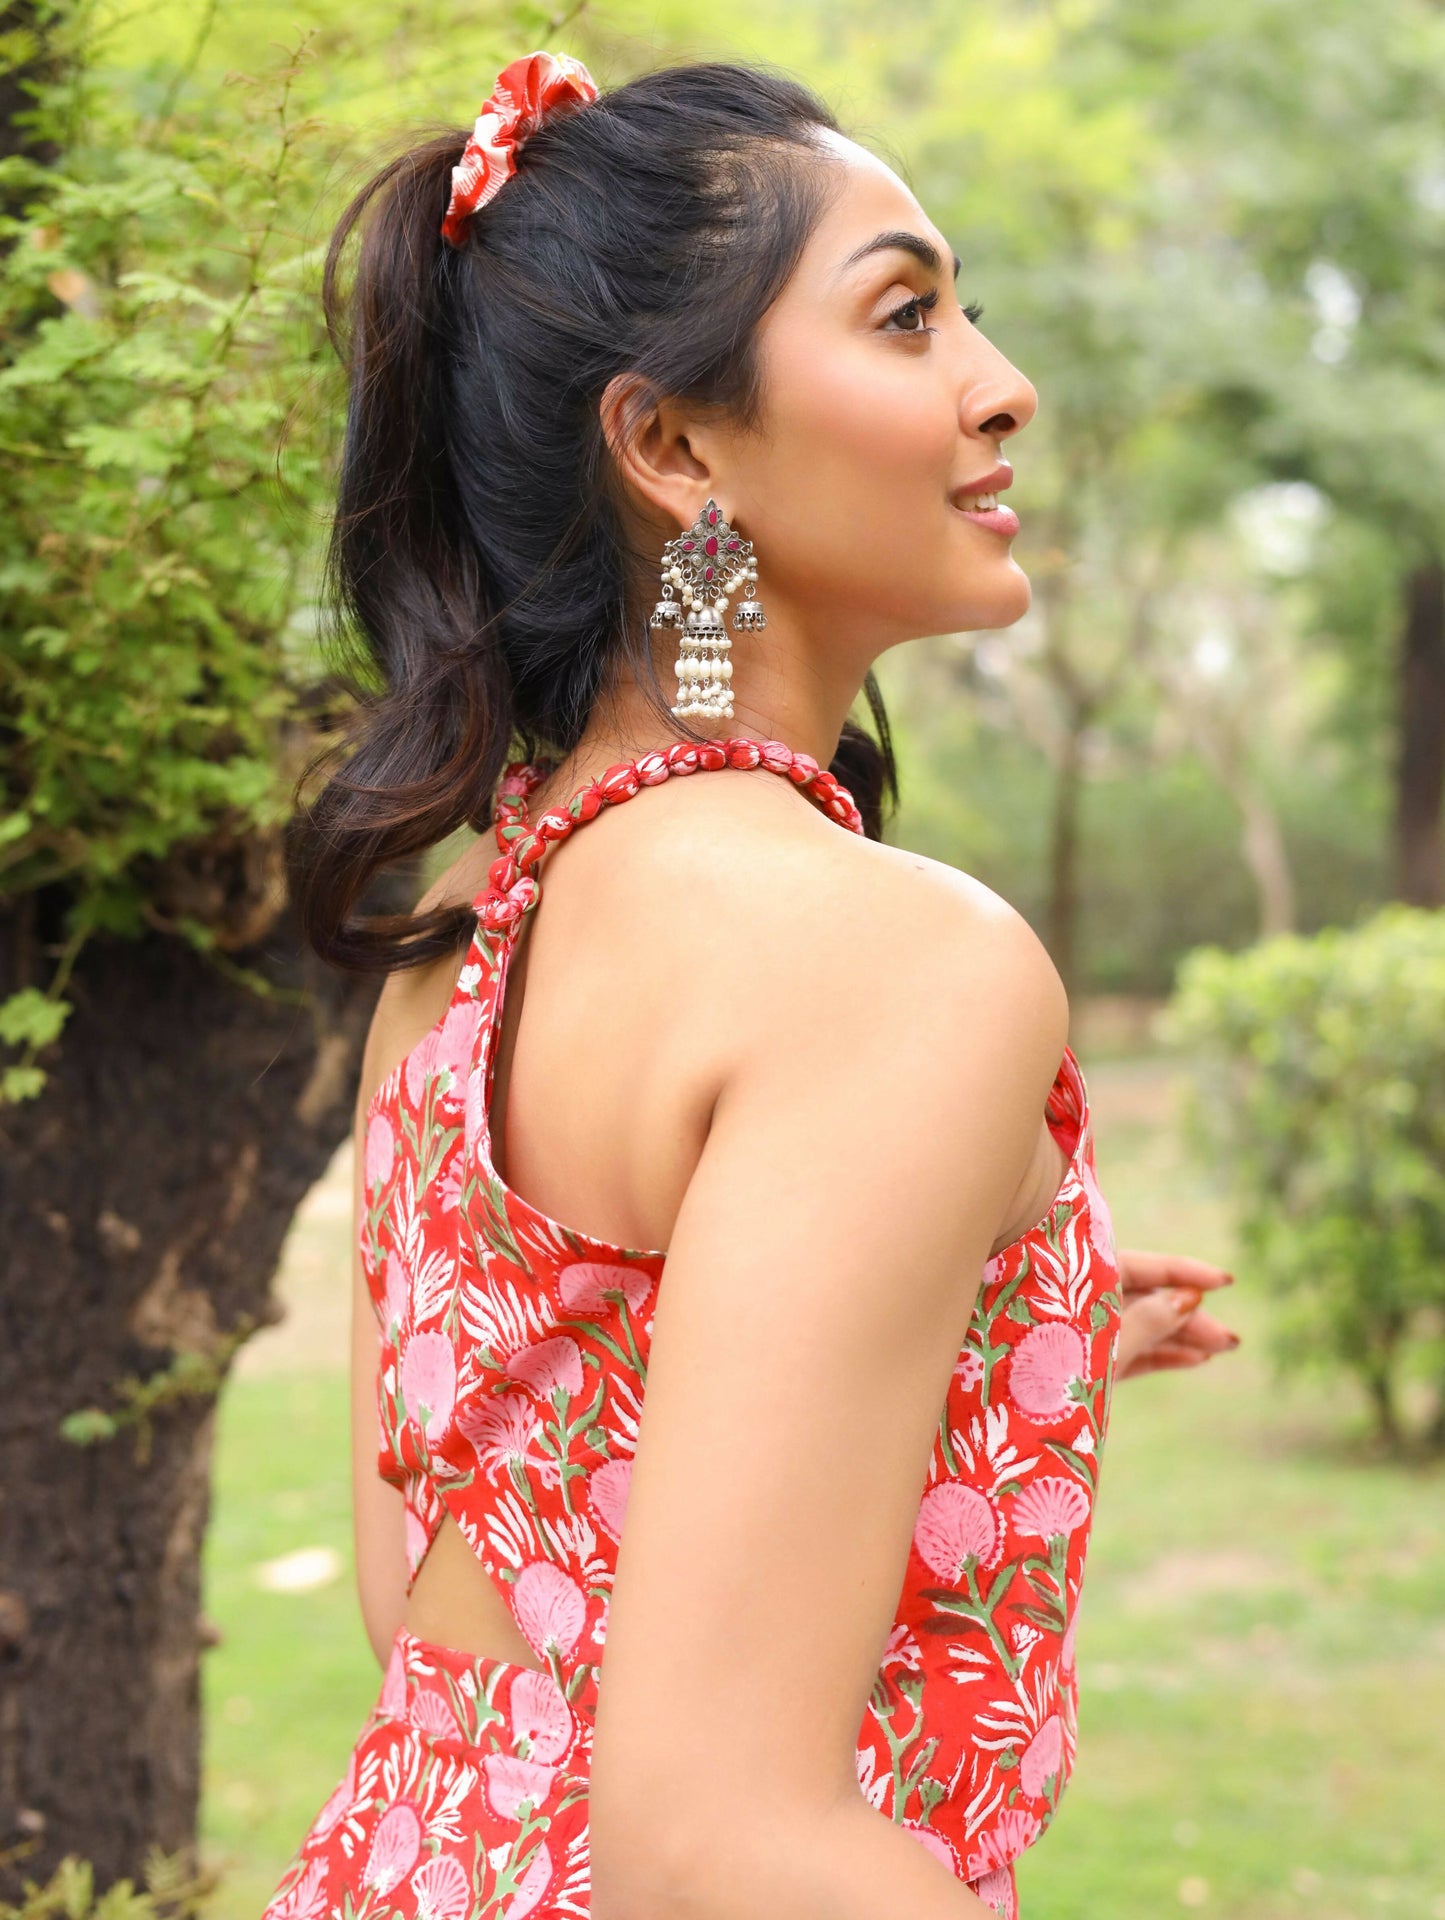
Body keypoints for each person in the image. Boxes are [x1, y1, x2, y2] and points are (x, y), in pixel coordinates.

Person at [267, 51, 1239, 1920]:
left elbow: (448, 1598)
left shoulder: (464, 958)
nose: (1000, 380)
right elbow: (713, 1840)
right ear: (676, 449)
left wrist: (972, 1356)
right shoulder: (890, 959)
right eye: (907, 314)